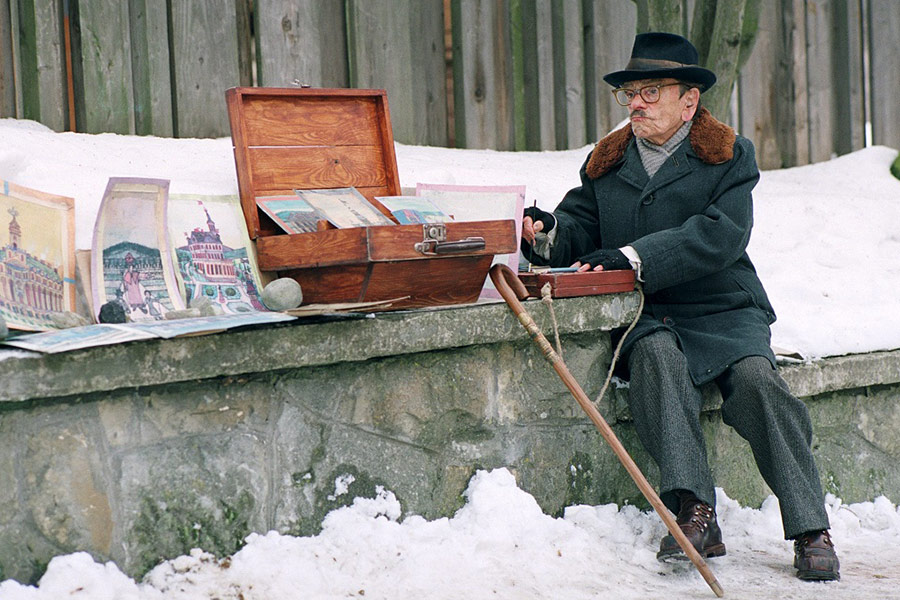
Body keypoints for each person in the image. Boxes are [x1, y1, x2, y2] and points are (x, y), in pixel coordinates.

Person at [521, 32, 839, 581]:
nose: (636, 103)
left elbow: (721, 235)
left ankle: (811, 528)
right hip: (647, 312)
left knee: (759, 383)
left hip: (723, 307)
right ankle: (694, 511)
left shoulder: (727, 154)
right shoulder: (608, 159)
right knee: (657, 362)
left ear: (688, 101)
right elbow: (581, 227)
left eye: (650, 91)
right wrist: (548, 232)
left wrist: (633, 255)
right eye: (630, 93)